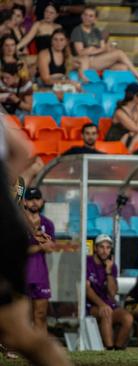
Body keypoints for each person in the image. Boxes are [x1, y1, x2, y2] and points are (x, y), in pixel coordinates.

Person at [0, 107, 71, 365]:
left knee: (17, 332)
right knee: (16, 331)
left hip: (5, 229)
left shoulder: (18, 187)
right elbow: (22, 151)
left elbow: (28, 156)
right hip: (8, 225)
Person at [71, 7, 138, 84]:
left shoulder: (96, 31)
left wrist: (95, 49)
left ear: (95, 19)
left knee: (123, 67)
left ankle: (109, 88)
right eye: (85, 15)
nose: (87, 18)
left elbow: (103, 48)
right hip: (88, 62)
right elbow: (81, 53)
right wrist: (99, 50)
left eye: (91, 16)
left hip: (100, 60)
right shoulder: (77, 30)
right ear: (82, 16)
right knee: (119, 53)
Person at [86, 234, 133, 350]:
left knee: (128, 318)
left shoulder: (112, 266)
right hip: (89, 304)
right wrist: (101, 305)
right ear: (95, 248)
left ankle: (118, 349)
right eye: (101, 247)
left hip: (107, 303)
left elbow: (112, 293)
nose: (104, 251)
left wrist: (108, 272)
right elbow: (86, 289)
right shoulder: (87, 262)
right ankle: (109, 349)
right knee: (107, 312)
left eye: (108, 248)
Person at [23, 187, 54, 334]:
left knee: (41, 315)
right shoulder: (19, 222)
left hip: (41, 275)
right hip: (22, 275)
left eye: (37, 199)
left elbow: (49, 248)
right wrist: (40, 245)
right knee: (23, 317)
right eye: (30, 199)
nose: (34, 202)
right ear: (24, 202)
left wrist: (39, 244)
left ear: (42, 201)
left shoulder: (47, 224)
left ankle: (41, 351)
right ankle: (19, 349)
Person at [104, 82, 138, 152]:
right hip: (115, 141)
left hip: (128, 139)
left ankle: (130, 153)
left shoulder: (135, 110)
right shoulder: (120, 112)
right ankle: (129, 154)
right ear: (135, 96)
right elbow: (137, 129)